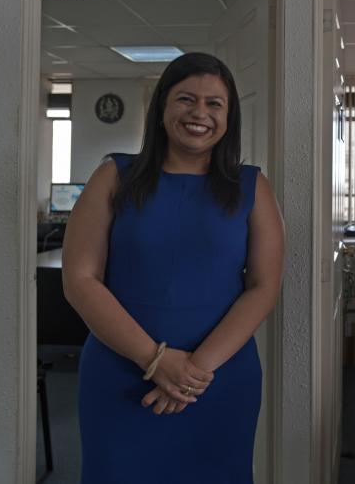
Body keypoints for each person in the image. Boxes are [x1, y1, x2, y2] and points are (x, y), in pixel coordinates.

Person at [62, 52, 285, 483]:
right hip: (122, 374)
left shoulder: (252, 186)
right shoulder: (113, 176)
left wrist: (192, 373)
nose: (199, 113)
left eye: (214, 103)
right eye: (186, 99)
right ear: (162, 106)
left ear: (229, 116)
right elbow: (79, 280)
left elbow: (263, 285)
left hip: (217, 380)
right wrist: (156, 361)